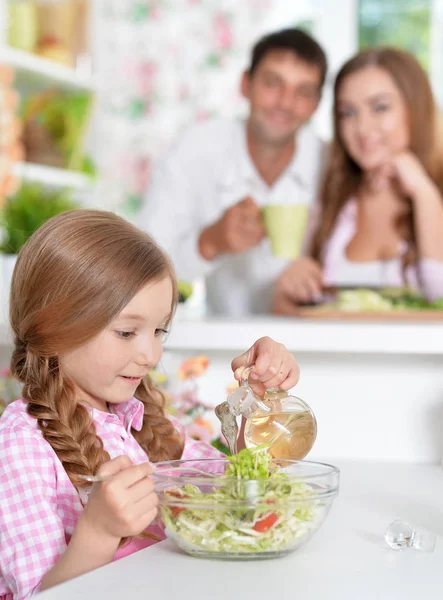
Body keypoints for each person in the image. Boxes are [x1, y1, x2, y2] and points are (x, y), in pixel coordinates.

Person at [0, 209, 300, 599]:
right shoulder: (21, 445)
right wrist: (99, 532)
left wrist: (258, 403)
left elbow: (239, 498)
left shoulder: (145, 423)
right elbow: (34, 594)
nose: (150, 353)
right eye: (127, 332)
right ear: (53, 329)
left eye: (159, 330)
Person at [141, 28, 327, 316]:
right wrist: (210, 241)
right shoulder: (195, 151)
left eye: (303, 91)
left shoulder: (331, 163)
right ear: (246, 84)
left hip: (315, 338)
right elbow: (142, 268)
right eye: (272, 83)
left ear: (316, 104)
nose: (285, 103)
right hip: (226, 340)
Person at [273, 48, 443, 313]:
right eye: (348, 113)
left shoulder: (432, 194)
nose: (362, 128)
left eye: (380, 107)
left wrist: (424, 193)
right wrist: (287, 291)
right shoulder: (335, 199)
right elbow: (301, 320)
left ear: (416, 109)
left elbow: (438, 295)